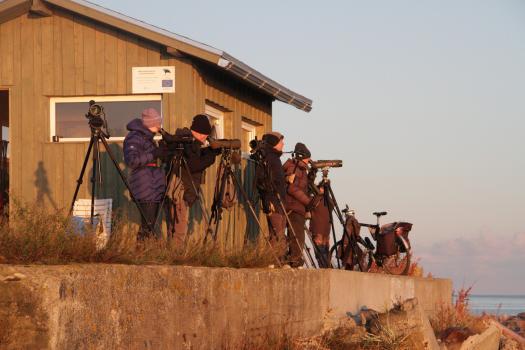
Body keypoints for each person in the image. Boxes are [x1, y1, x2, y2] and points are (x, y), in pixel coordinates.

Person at [163, 114, 219, 246]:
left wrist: (211, 150)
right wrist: (211, 155)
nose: (207, 138)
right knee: (179, 227)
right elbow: (193, 165)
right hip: (181, 191)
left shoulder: (186, 141)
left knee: (175, 226)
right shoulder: (187, 143)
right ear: (201, 132)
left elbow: (195, 158)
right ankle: (176, 259)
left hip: (178, 190)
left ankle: (172, 255)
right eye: (206, 134)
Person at [123, 108, 168, 240]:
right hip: (144, 186)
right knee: (148, 225)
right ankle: (141, 253)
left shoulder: (147, 138)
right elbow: (132, 160)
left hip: (151, 185)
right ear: (149, 123)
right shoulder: (135, 137)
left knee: (149, 224)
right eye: (157, 123)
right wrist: (154, 154)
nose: (159, 126)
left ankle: (144, 253)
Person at [255, 131, 287, 258]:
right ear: (274, 144)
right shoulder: (269, 158)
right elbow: (263, 181)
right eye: (281, 142)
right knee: (278, 233)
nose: (283, 144)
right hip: (273, 201)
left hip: (279, 201)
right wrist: (269, 200)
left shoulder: (275, 158)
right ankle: (277, 260)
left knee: (276, 234)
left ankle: (272, 261)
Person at [282, 142, 312, 267]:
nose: (309, 161)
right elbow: (292, 189)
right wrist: (308, 202)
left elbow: (302, 186)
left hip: (295, 206)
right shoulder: (295, 168)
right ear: (302, 157)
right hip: (293, 207)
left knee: (295, 235)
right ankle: (294, 261)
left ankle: (293, 260)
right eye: (307, 158)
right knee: (297, 236)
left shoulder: (300, 169)